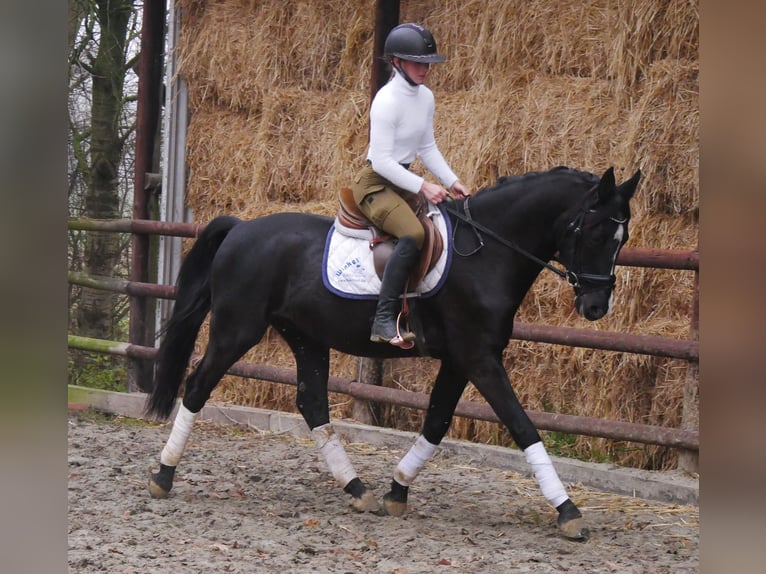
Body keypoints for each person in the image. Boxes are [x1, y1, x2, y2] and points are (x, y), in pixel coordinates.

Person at [352, 22, 469, 347]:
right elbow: (382, 162)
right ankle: (384, 319)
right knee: (414, 233)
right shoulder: (386, 101)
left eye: (428, 62)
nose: (425, 69)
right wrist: (423, 186)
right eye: (418, 62)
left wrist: (452, 181)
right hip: (375, 184)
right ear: (398, 63)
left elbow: (427, 148)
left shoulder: (425, 98)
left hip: (401, 181)